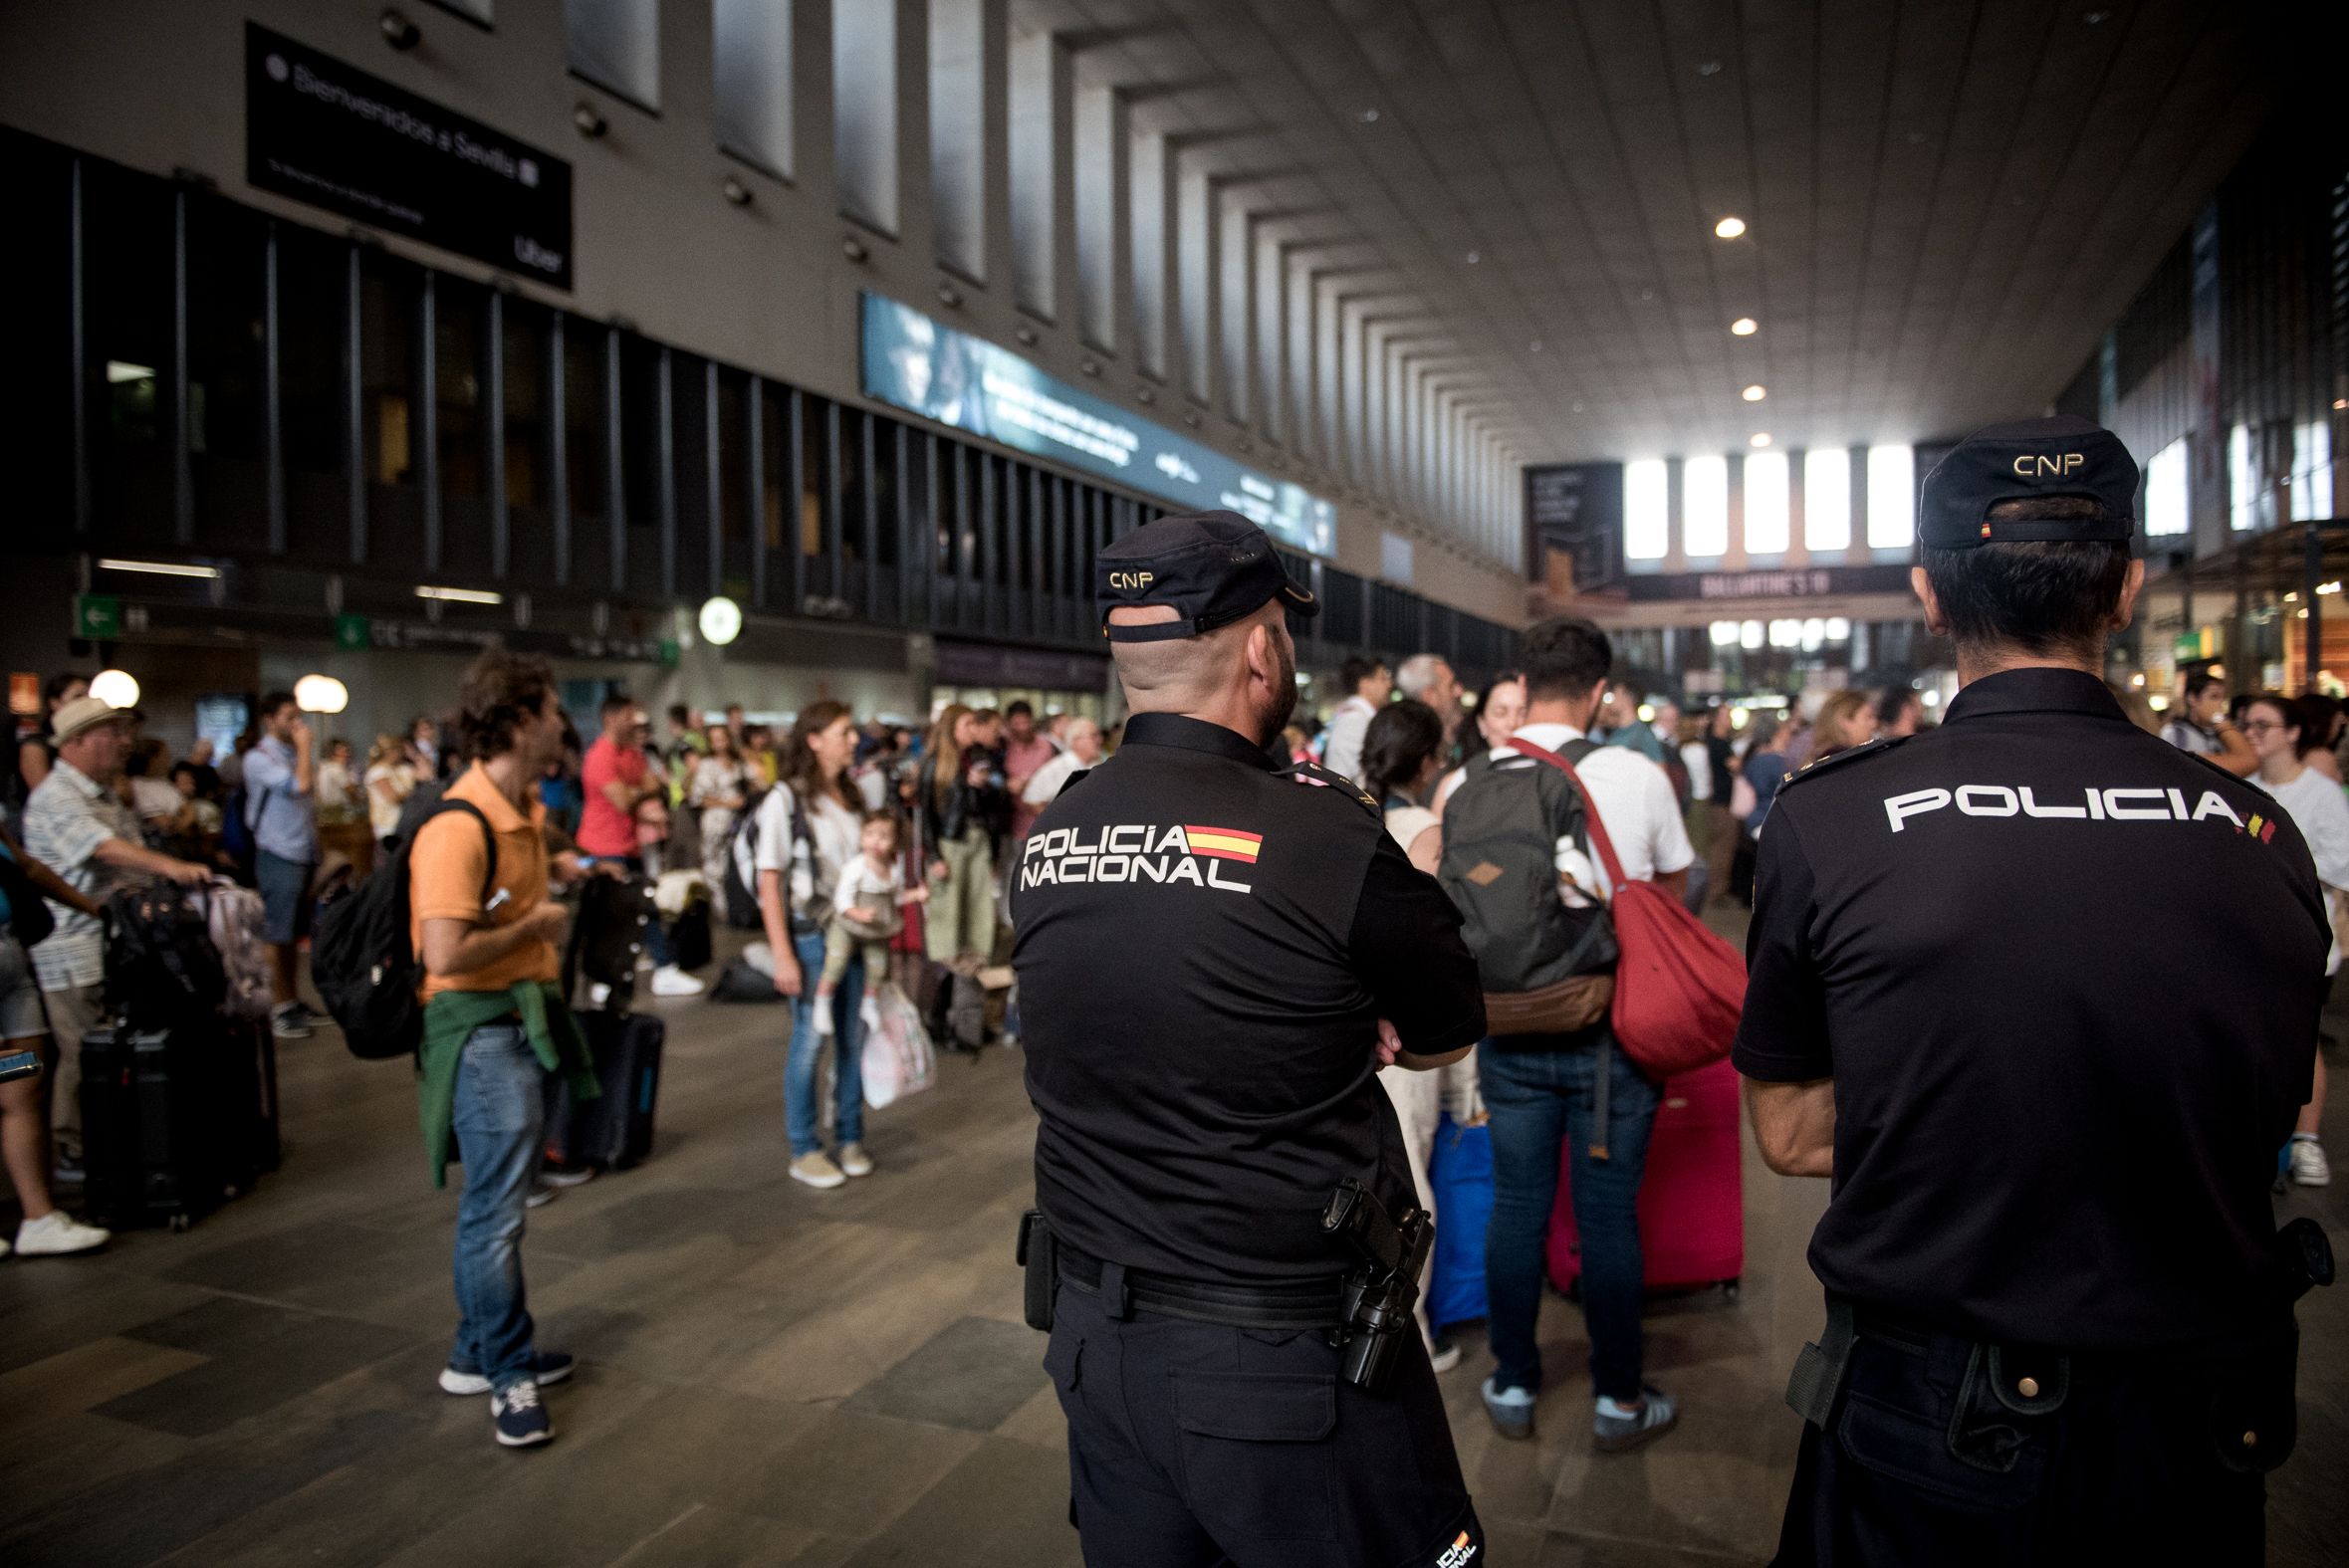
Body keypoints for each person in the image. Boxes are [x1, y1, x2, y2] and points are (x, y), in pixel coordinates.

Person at [1736, 415, 2332, 1563]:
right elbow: (2288, 1106)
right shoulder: (2259, 834)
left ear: (1928, 593)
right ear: (2125, 590)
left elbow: (1793, 1128)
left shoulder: (1831, 818)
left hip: (1931, 1414)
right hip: (2195, 1413)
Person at [1015, 509, 1489, 1565]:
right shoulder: (1324, 834)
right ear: (1265, 646)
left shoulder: (1055, 830)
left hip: (1096, 1341)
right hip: (1278, 1365)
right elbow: (1449, 1028)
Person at [1467, 617, 1695, 1453]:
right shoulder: (1637, 772)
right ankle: (1618, 1402)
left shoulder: (1474, 781)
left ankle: (1514, 1381)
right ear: (1599, 691)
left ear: (1519, 686)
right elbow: (1668, 893)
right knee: (1608, 1222)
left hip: (1508, 1032)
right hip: (1611, 1039)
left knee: (1515, 1207)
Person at [410, 647, 601, 1449]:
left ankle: (475, 1347)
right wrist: (534, 925)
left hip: (514, 1023)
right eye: (555, 709)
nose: (564, 724)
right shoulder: (459, 824)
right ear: (521, 719)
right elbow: (444, 954)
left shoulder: (516, 806)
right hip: (481, 1033)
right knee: (494, 1214)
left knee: (497, 1201)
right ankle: (506, 1370)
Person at [23, 698, 209, 1168]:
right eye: (112, 732)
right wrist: (172, 866)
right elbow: (104, 849)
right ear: (77, 742)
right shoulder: (56, 796)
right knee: (82, 1049)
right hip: (72, 945)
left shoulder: (105, 794)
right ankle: (76, 1147)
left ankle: (115, 1138)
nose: (125, 743)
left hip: (112, 941)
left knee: (106, 1041)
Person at [1358, 697, 1482, 1372]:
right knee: (1412, 1187)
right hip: (1407, 1034)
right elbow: (1436, 949)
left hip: (1354, 1025)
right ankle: (1412, 1332)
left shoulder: (1347, 818)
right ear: (1430, 760)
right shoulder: (1427, 831)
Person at [752, 700, 874, 1188]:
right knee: (810, 1041)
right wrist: (782, 953)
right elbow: (769, 881)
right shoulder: (785, 799)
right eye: (844, 732)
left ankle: (850, 1135)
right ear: (814, 739)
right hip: (812, 939)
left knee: (852, 1038)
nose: (853, 741)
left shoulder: (853, 796)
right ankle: (803, 1146)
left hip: (858, 936)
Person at [0, 822, 110, 1257]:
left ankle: (39, 1218)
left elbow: (28, 867)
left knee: (23, 1081)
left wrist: (94, 909)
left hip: (10, 961)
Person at [2244, 693, 2340, 1188]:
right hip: (2249, 939)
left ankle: (2306, 1142)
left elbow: (2344, 867)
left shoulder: (2320, 792)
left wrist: (2282, 867)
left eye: (2264, 723)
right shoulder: (2242, 790)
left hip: (2306, 938)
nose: (2253, 732)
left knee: (2302, 1039)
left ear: (2293, 732)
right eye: (2247, 724)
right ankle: (2267, 1141)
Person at [581, 697, 700, 998]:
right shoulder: (600, 756)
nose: (636, 721)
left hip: (628, 846)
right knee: (610, 917)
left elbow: (655, 785)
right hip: (602, 848)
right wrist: (639, 791)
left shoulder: (632, 755)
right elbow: (623, 800)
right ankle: (603, 980)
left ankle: (662, 969)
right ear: (614, 717)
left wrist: (637, 790)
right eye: (630, 715)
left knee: (645, 909)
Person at [240, 692, 323, 1040]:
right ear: (269, 719)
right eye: (289, 717)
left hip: (301, 851)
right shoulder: (259, 759)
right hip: (277, 854)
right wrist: (306, 746)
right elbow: (300, 785)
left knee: (292, 934)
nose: (297, 724)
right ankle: (279, 1007)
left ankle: (293, 998)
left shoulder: (289, 754)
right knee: (277, 932)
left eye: (298, 716)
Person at [813, 810, 926, 1034]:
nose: (876, 841)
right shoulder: (857, 867)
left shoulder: (892, 871)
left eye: (884, 836)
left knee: (879, 967)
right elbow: (842, 898)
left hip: (876, 929)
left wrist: (916, 895)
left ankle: (870, 1002)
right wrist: (857, 913)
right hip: (850, 926)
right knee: (836, 962)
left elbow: (895, 897)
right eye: (870, 834)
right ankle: (822, 1001)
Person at [916, 704, 1004, 977]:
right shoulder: (936, 764)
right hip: (950, 841)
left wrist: (982, 787)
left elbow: (992, 804)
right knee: (949, 904)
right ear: (952, 727)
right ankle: (949, 963)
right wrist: (933, 856)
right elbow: (925, 815)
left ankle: (975, 959)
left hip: (978, 837)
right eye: (967, 724)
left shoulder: (977, 757)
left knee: (979, 901)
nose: (972, 729)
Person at [1431, 670, 1527, 819]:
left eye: (1523, 713)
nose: (1512, 723)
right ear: (1481, 723)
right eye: (1501, 713)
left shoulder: (1550, 780)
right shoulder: (1456, 782)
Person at [688, 724, 752, 888]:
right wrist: (730, 803)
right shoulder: (707, 764)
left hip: (738, 822)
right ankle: (719, 910)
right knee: (714, 870)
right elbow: (700, 798)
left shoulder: (739, 763)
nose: (719, 742)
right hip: (716, 823)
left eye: (722, 738)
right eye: (715, 739)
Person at [13, 672, 88, 809]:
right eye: (78, 696)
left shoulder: (86, 741)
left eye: (88, 697)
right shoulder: (35, 744)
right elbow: (45, 798)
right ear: (54, 703)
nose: (86, 703)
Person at [2162, 671, 2257, 777]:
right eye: (2214, 697)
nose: (2219, 704)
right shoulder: (2176, 732)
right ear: (2192, 698)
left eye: (2222, 698)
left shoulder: (2223, 733)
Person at [1321, 653, 1391, 784]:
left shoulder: (1359, 716)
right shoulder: (1354, 720)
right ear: (1365, 684)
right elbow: (1349, 776)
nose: (1389, 684)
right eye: (1382, 678)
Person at [999, 700, 1059, 844]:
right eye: (1017, 723)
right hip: (1011, 824)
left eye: (1026, 722)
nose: (1023, 728)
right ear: (1009, 724)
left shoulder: (1046, 746)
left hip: (1041, 822)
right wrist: (1006, 785)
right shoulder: (1003, 746)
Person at [1021, 717, 1103, 811]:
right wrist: (1057, 822)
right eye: (1094, 736)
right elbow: (1031, 799)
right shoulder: (1056, 767)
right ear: (1076, 740)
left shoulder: (1099, 765)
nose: (1099, 740)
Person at [1395, 652, 1464, 750]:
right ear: (1429, 697)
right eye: (1451, 686)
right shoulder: (1411, 751)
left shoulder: (1465, 740)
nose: (1459, 692)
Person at [365, 733, 417, 851]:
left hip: (401, 823)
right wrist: (412, 795)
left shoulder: (399, 769)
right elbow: (392, 798)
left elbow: (425, 775)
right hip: (387, 825)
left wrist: (414, 756)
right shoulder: (378, 772)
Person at [1806, 690, 1874, 764]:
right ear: (1845, 721)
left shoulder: (1822, 755)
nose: (1874, 724)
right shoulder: (1842, 761)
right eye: (1868, 717)